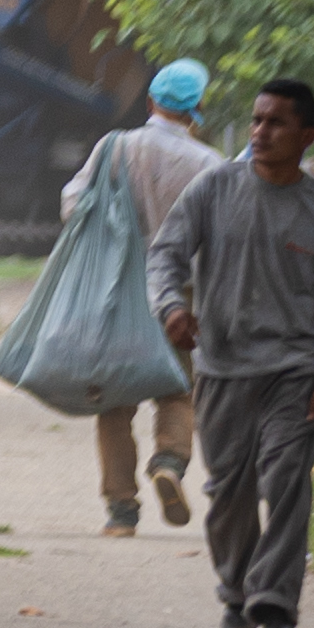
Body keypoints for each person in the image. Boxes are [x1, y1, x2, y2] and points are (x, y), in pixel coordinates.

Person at [155, 76, 314, 628]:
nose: (260, 132)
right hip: (221, 369)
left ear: (307, 136)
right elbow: (166, 254)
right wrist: (172, 306)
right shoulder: (213, 190)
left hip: (294, 371)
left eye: (275, 123)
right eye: (256, 120)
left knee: (286, 482)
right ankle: (234, 601)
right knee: (229, 493)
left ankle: (274, 614)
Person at [84, 65, 223, 539]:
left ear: (149, 102)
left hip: (117, 292)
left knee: (114, 402)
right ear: (197, 109)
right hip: (180, 294)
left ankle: (121, 512)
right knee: (178, 389)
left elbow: (72, 205)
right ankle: (169, 462)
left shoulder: (114, 148)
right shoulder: (209, 164)